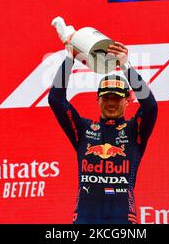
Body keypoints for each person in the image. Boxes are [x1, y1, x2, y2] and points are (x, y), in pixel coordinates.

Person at [48, 33, 158, 224]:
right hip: (85, 218)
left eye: (116, 98)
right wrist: (70, 57)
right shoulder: (84, 129)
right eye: (106, 97)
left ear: (127, 100)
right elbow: (56, 99)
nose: (111, 103)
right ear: (98, 100)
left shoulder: (134, 131)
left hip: (122, 220)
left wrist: (125, 66)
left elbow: (150, 107)